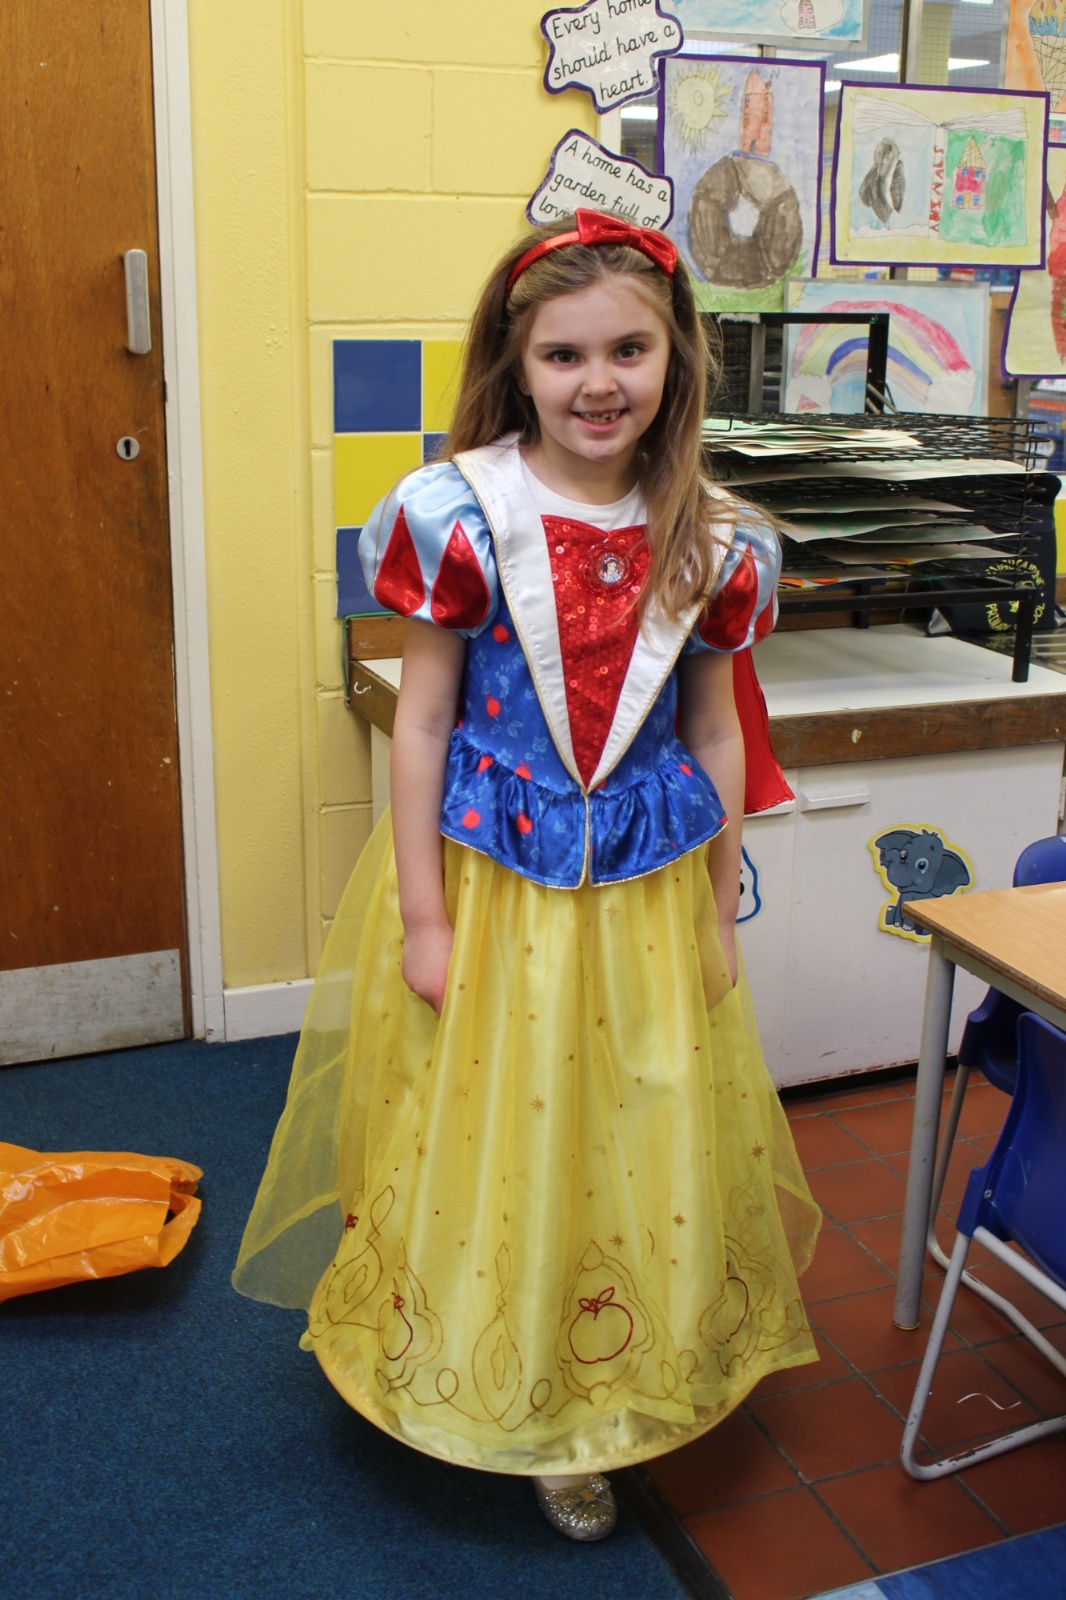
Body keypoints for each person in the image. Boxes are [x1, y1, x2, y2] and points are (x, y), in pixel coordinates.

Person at [233, 209, 821, 1542]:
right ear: (517, 363)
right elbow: (424, 722)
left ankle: (603, 1390)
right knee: (488, 1128)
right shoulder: (458, 516)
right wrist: (424, 918)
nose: (597, 382)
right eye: (564, 355)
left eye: (628, 350)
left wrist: (721, 904)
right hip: (496, 894)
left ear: (676, 359)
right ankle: (475, 1361)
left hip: (646, 900)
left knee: (637, 1120)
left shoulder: (718, 538)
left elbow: (718, 732)